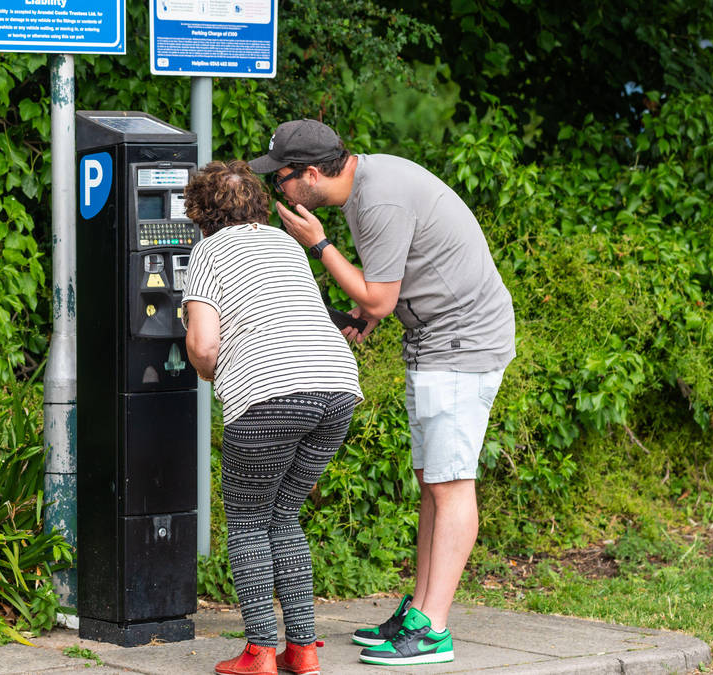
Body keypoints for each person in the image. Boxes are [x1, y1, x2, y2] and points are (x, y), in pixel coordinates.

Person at [248, 120, 515, 667]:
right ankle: (418, 609)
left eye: (281, 178)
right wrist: (368, 315)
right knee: (431, 481)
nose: (278, 189)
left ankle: (433, 629)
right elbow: (389, 281)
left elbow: (379, 296)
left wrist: (318, 244)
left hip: (462, 343)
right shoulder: (365, 187)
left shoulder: (378, 201)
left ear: (312, 175)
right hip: (435, 340)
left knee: (451, 483)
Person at [182, 160, 363, 675]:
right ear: (259, 204)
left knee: (245, 522)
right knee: (283, 516)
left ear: (201, 211)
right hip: (336, 390)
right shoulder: (287, 245)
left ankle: (260, 652)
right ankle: (302, 650)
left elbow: (203, 343)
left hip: (269, 394)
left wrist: (208, 371)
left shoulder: (209, 251)